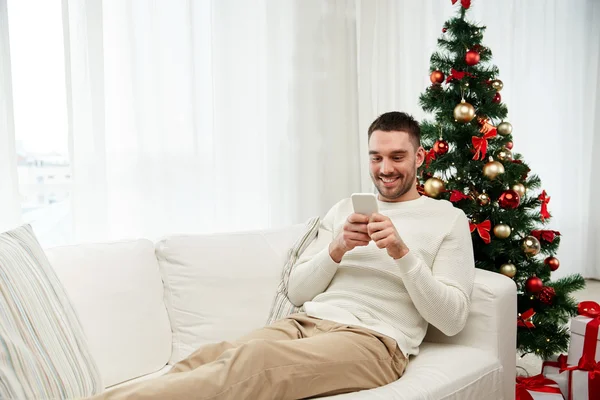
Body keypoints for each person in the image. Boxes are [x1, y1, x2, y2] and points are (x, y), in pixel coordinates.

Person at [90, 111, 475, 400]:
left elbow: (452, 318)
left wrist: (402, 252)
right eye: (376, 157)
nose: (385, 169)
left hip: (375, 341)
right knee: (215, 355)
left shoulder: (447, 219)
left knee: (254, 365)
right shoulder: (345, 209)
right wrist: (336, 248)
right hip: (308, 321)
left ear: (420, 157)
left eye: (397, 157)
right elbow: (296, 290)